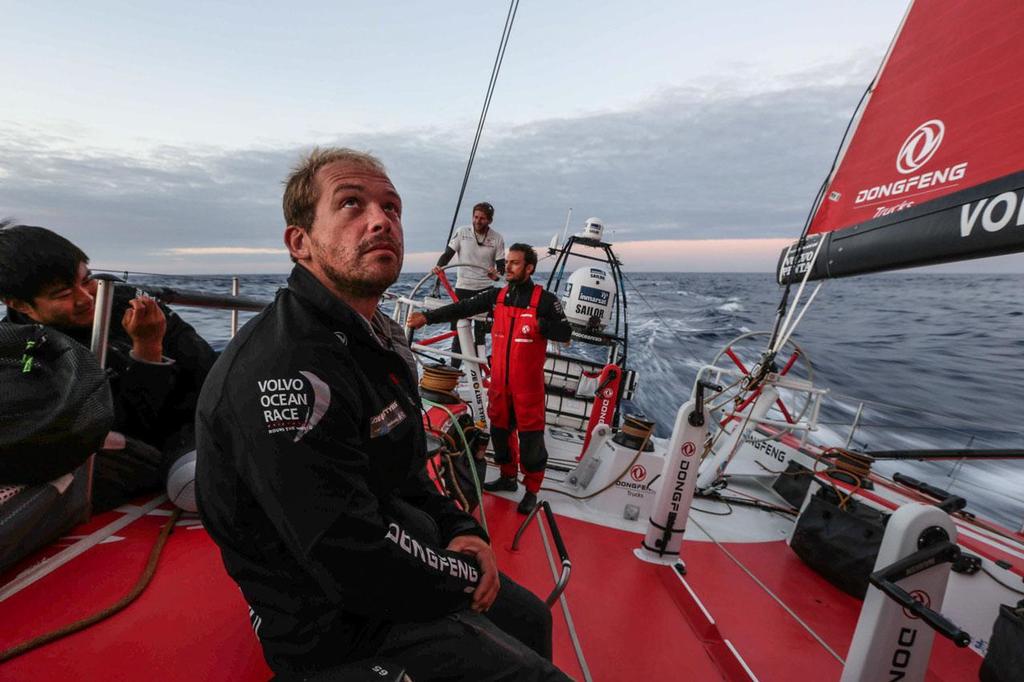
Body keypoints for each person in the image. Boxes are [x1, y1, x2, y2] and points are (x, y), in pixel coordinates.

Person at [195, 148, 568, 681]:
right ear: (299, 243)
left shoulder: (372, 347)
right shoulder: (287, 370)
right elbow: (346, 551)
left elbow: (406, 474)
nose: (381, 220)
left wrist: (461, 529)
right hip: (330, 620)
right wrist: (463, 575)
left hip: (393, 560)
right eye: (351, 204)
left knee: (530, 617)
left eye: (392, 208)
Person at [0, 221, 216, 511]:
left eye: (86, 279)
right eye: (64, 294)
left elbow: (208, 369)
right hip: (136, 450)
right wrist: (148, 349)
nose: (86, 297)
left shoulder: (124, 300)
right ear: (20, 305)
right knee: (199, 483)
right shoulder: (19, 355)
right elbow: (117, 430)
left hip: (200, 421)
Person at [408, 243, 571, 515]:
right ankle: (508, 478)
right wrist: (427, 317)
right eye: (507, 262)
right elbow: (462, 308)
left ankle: (531, 490)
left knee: (531, 442)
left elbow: (565, 333)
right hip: (499, 384)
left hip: (528, 389)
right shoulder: (497, 296)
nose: (507, 267)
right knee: (500, 432)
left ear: (529, 268)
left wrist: (541, 326)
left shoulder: (544, 300)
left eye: (515, 263)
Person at [433, 202, 505, 367]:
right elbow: (447, 255)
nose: (478, 221)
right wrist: (439, 268)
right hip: (463, 288)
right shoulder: (462, 232)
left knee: (480, 334)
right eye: (476, 217)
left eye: (483, 218)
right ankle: (454, 372)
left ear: (490, 221)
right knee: (460, 332)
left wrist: (495, 275)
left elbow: (501, 269)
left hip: (485, 289)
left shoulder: (497, 238)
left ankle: (478, 375)